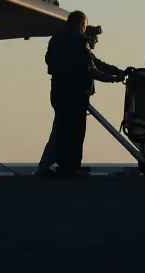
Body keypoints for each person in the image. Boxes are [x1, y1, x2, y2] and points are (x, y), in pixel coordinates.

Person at [38, 11, 128, 178]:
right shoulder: (80, 42)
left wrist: (118, 71)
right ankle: (70, 168)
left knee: (62, 131)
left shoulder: (56, 39)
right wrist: (115, 79)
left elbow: (49, 61)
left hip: (58, 93)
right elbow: (92, 69)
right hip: (76, 95)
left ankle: (60, 166)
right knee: (75, 133)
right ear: (81, 25)